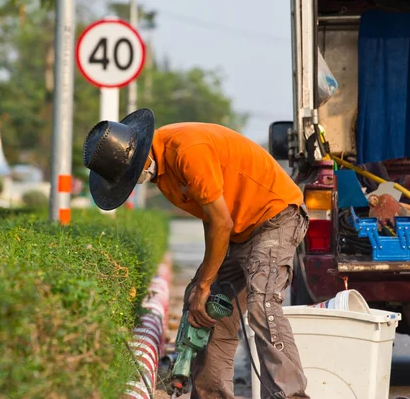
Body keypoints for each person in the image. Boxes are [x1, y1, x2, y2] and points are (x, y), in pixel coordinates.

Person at [83, 108, 310, 399]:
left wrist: (205, 284)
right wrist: (204, 283)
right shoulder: (162, 175)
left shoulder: (186, 150)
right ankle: (209, 394)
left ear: (141, 156)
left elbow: (220, 221)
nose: (136, 181)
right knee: (205, 306)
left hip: (275, 217)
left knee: (262, 302)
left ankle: (290, 395)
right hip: (237, 230)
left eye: (132, 175)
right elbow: (212, 219)